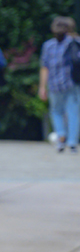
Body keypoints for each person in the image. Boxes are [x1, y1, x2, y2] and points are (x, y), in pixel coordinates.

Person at [39, 16, 80, 153]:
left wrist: (42, 87)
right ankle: (73, 142)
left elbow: (45, 67)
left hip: (54, 85)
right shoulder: (76, 42)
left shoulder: (48, 45)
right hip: (72, 84)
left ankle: (61, 136)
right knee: (73, 112)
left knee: (56, 111)